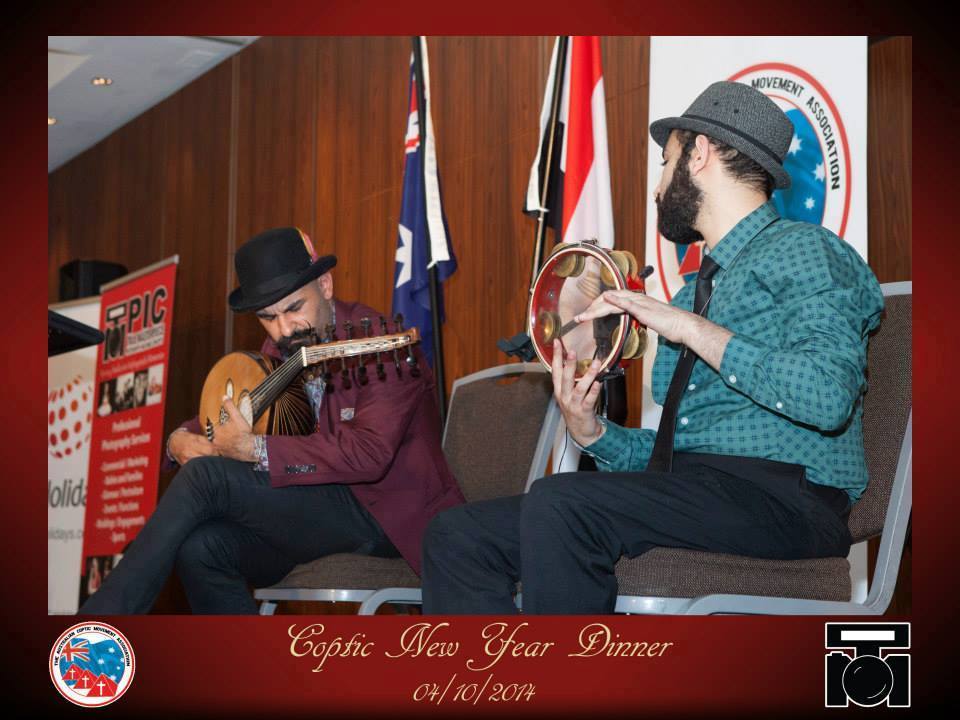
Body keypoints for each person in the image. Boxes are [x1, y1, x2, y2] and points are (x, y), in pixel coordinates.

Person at [421, 81, 884, 614]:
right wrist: (592, 433)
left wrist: (691, 329)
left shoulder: (806, 250)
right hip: (699, 490)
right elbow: (680, 455)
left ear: (699, 153)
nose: (658, 188)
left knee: (561, 502)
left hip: (787, 502)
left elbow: (827, 395)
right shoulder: (693, 292)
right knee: (457, 535)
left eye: (665, 163)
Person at [80, 227, 464, 614]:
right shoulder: (281, 350)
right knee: (202, 548)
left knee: (206, 477)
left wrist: (255, 448)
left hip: (385, 515)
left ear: (325, 285)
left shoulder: (382, 340)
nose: (284, 329)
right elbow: (228, 410)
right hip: (314, 507)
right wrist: (177, 440)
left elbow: (370, 454)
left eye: (294, 308)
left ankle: (101, 619)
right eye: (268, 317)